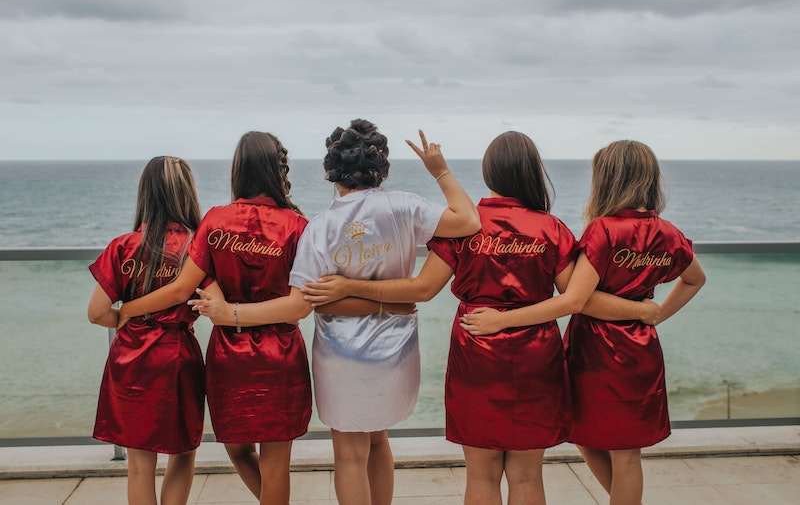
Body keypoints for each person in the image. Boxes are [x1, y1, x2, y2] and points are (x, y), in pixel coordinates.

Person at [299, 131, 657, 505]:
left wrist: (349, 288)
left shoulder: (466, 227)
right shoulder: (552, 229)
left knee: (481, 475)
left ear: (489, 173)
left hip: (476, 352)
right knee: (527, 477)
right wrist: (639, 308)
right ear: (533, 172)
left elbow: (422, 289)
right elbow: (578, 298)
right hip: (538, 357)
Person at [189, 119, 481, 505]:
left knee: (349, 453)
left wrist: (231, 312)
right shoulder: (405, 205)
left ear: (331, 171)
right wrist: (439, 169)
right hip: (396, 348)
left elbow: (307, 301)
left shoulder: (321, 226)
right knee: (378, 440)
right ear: (380, 169)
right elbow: (469, 221)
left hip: (341, 351)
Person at [458, 140, 706, 505]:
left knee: (606, 447)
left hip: (598, 348)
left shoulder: (604, 231)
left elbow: (576, 299)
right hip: (641, 346)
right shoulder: (668, 232)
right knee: (614, 448)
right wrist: (652, 313)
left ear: (607, 179)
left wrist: (502, 321)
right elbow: (695, 279)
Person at [117, 132, 312, 505]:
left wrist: (127, 309)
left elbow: (180, 289)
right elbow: (301, 304)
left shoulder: (215, 220)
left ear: (237, 170)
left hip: (229, 355)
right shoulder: (297, 225)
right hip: (281, 354)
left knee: (239, 452)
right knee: (276, 466)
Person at [87, 156, 205, 505]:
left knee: (139, 464)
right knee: (182, 453)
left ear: (145, 194)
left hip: (130, 359)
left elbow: (96, 313)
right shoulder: (196, 246)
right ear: (187, 193)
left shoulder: (123, 246)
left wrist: (125, 317)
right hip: (177, 357)